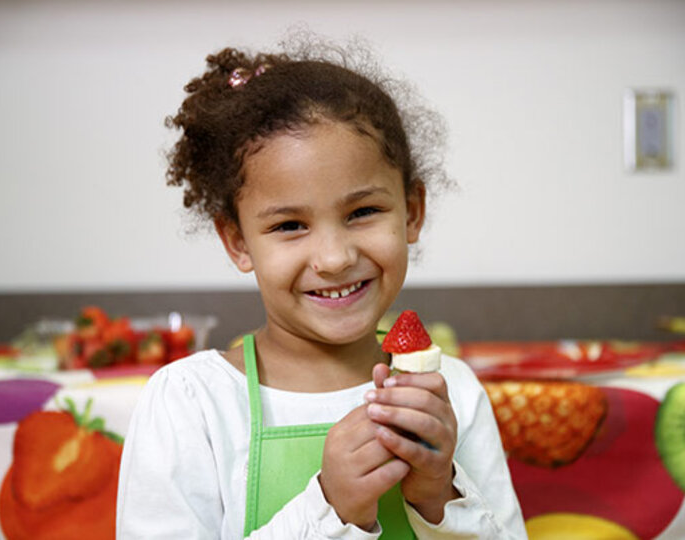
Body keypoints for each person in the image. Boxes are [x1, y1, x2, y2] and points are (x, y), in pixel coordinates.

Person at [116, 35, 527, 539]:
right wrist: (331, 510)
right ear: (237, 240)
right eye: (289, 225)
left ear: (412, 213)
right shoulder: (191, 404)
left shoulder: (453, 394)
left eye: (363, 212)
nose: (334, 258)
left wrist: (438, 496)